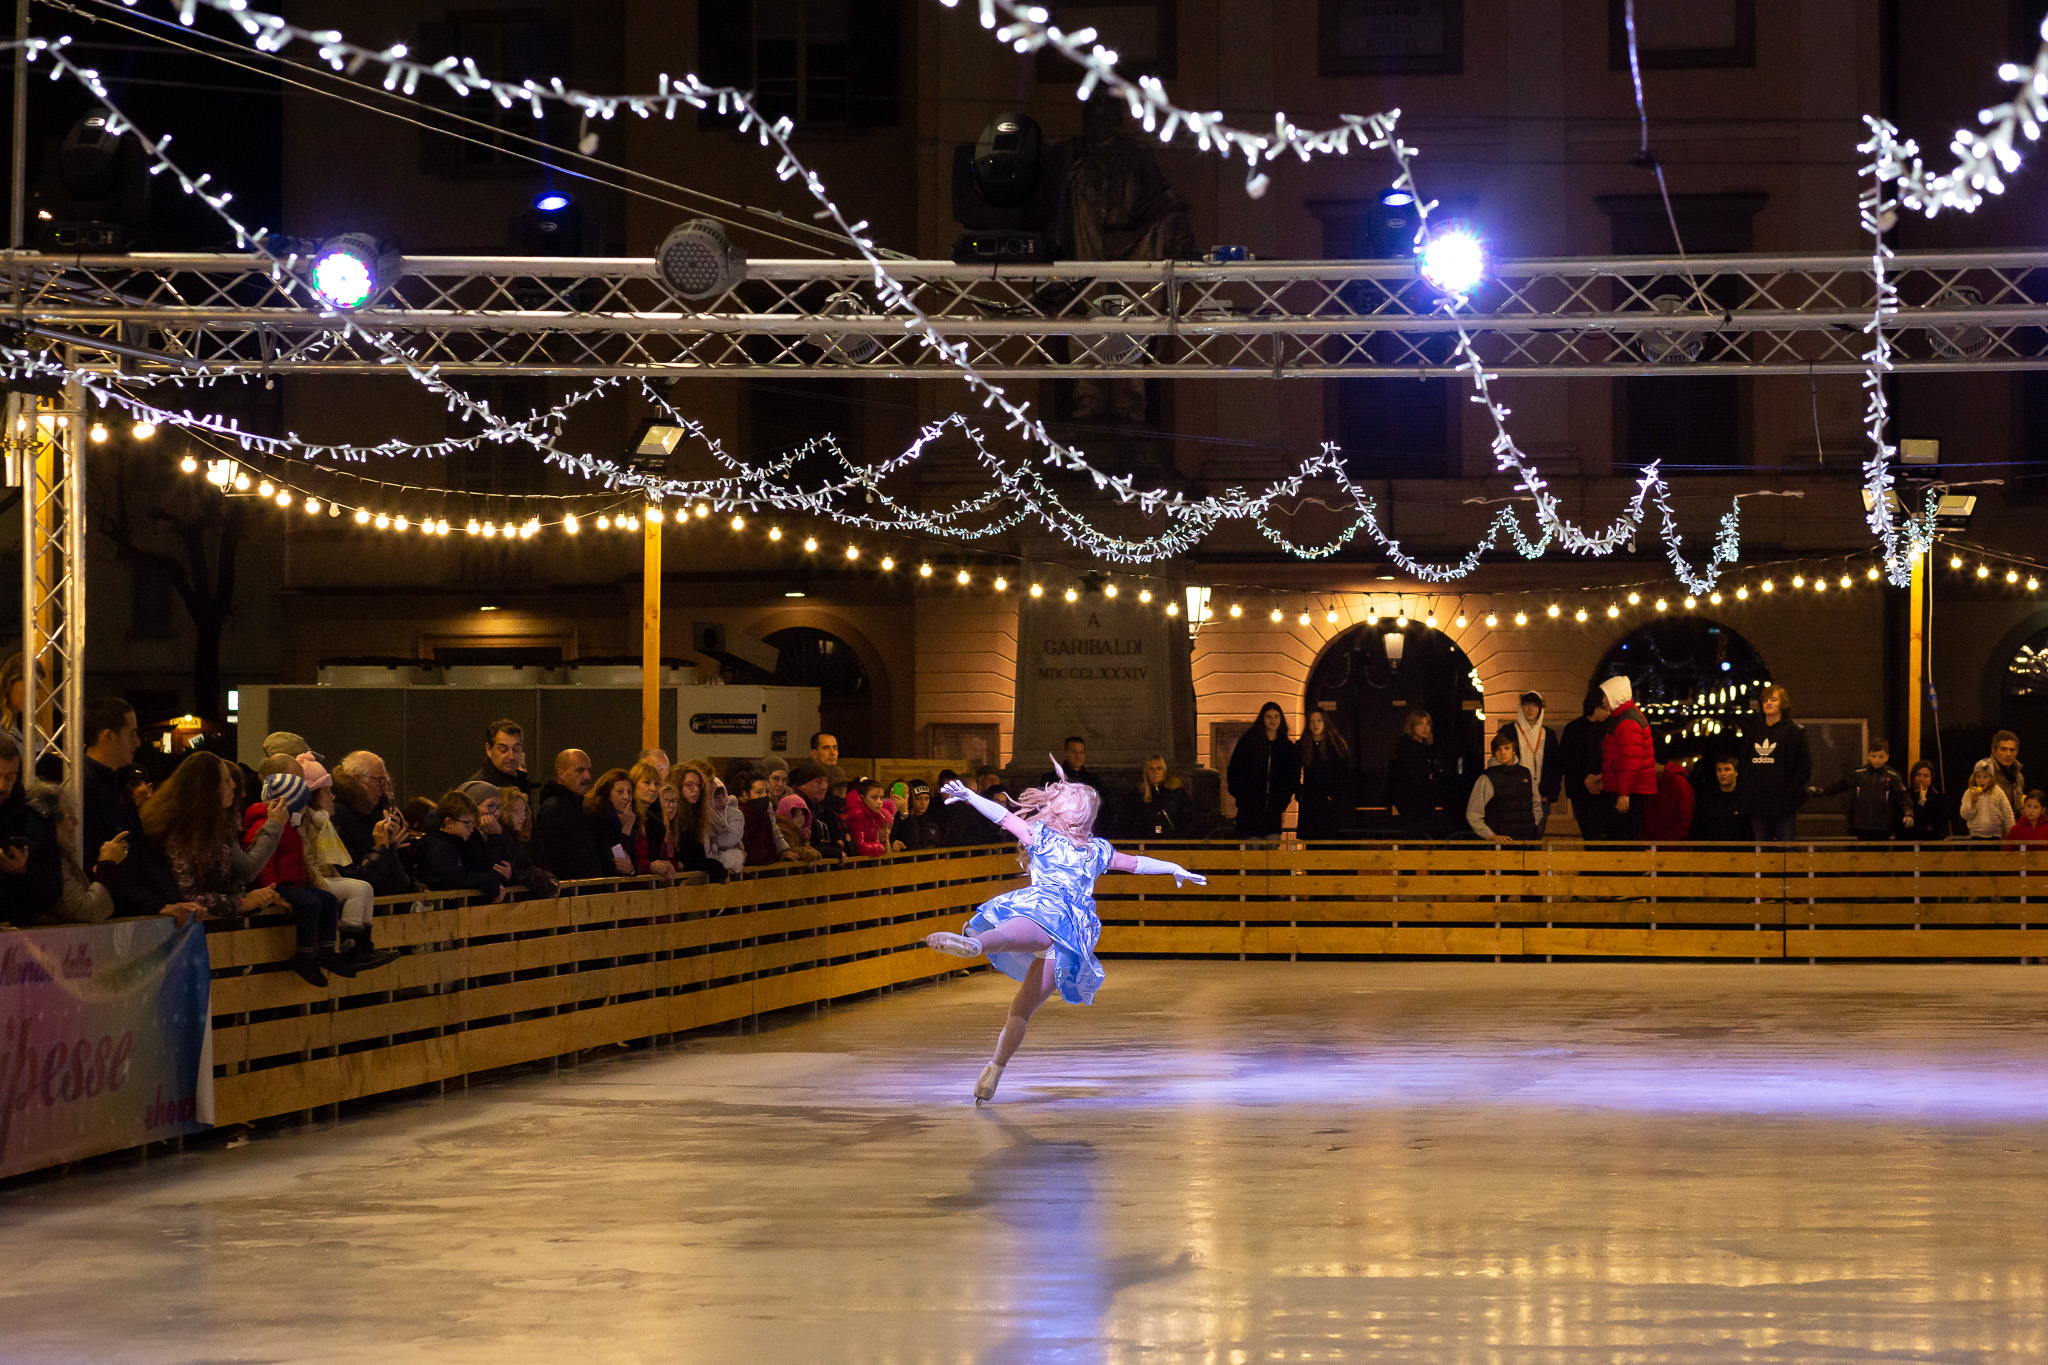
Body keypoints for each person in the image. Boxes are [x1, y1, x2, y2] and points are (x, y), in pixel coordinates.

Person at [924, 759, 1206, 1104]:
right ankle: (994, 1069)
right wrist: (1174, 867)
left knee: (1016, 934)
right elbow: (1137, 864)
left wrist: (969, 795)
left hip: (1046, 912)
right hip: (1069, 938)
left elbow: (1003, 817)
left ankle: (975, 944)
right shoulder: (1096, 849)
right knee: (1021, 1010)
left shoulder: (1043, 837)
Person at [141, 753, 318, 976]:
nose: (233, 786)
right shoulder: (180, 832)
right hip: (182, 942)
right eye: (226, 780)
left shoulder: (218, 825)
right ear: (206, 788)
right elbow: (186, 895)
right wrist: (242, 903)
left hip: (217, 936)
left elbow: (245, 870)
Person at [243, 770, 372, 985]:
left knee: (328, 899)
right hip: (277, 885)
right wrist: (271, 891)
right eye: (303, 803)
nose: (307, 807)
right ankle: (305, 954)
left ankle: (327, 950)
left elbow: (298, 860)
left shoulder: (292, 826)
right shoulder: (265, 826)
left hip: (294, 882)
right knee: (310, 903)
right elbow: (264, 863)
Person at [82, 697, 202, 922]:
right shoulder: (84, 789)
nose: (137, 742)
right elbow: (101, 867)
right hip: (110, 918)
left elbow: (141, 854)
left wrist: (172, 901)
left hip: (130, 909)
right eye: (132, 733)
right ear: (108, 736)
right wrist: (158, 905)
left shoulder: (118, 784)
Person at [303, 760, 400, 968]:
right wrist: (381, 848)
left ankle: (363, 946)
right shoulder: (329, 819)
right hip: (314, 879)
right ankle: (351, 947)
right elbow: (312, 859)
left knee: (362, 888)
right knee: (357, 888)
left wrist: (390, 848)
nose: (333, 796)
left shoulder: (328, 819)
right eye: (378, 780)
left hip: (325, 875)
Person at [329, 751, 417, 898]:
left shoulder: (375, 811)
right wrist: (382, 847)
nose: (383, 788)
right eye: (378, 780)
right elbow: (355, 875)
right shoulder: (339, 814)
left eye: (384, 781)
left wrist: (394, 847)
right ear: (356, 778)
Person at [459, 781, 559, 899]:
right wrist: (495, 837)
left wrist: (547, 878)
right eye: (491, 806)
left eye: (499, 807)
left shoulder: (501, 836)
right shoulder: (467, 837)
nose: (496, 813)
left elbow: (525, 866)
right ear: (473, 807)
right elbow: (495, 872)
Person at [1738, 684, 1811, 842]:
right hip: (1758, 805)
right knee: (1761, 854)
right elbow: (1744, 767)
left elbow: (1804, 768)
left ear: (1782, 704)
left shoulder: (1794, 732)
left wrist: (1789, 794)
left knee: (1785, 853)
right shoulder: (1754, 732)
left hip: (1783, 806)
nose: (1768, 703)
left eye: (1773, 699)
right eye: (1765, 700)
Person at [416, 790, 509, 902]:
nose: (471, 829)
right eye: (467, 824)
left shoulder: (459, 842)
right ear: (449, 822)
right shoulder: (438, 845)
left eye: (473, 824)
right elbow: (455, 878)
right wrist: (488, 883)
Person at [1597, 676, 1658, 841]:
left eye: (1606, 696)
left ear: (1616, 696)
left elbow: (1631, 761)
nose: (1603, 701)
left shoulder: (1626, 722)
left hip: (1630, 792)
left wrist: (1623, 793)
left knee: (1625, 840)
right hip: (1631, 789)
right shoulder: (1625, 717)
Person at [535, 748, 609, 881]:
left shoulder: (583, 808)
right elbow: (549, 859)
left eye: (589, 770)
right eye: (580, 770)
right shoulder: (554, 809)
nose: (587, 776)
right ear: (561, 774)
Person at [1812, 739, 1907, 842]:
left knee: (1880, 855)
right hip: (1861, 825)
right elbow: (1840, 785)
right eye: (1874, 756)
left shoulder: (1893, 776)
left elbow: (1903, 796)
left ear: (1887, 757)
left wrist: (1908, 813)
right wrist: (1822, 791)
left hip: (1883, 826)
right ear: (1868, 756)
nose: (1877, 760)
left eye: (1881, 757)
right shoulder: (1859, 774)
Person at [1227, 702, 1298, 840]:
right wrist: (1241, 796)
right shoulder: (1248, 743)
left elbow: (1291, 776)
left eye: (1276, 716)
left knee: (1271, 848)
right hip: (1249, 812)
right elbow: (1234, 770)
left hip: (1273, 812)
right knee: (1252, 850)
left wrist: (1283, 800)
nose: (1273, 720)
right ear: (1262, 719)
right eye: (1269, 717)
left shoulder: (1287, 747)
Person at [1466, 731, 1540, 844]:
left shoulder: (1525, 773)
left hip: (1527, 839)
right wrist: (1491, 835)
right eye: (1498, 749)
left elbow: (1536, 801)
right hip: (1501, 843)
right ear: (1494, 753)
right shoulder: (1487, 778)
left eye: (1507, 748)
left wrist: (1534, 822)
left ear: (1513, 750)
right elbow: (1473, 813)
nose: (1503, 753)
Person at [1559, 690, 1612, 840]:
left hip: (1604, 789)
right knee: (1589, 834)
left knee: (1603, 835)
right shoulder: (1573, 728)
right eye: (1605, 709)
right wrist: (1585, 778)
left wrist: (1601, 777)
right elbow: (1565, 759)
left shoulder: (1608, 728)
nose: (1608, 713)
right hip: (1580, 792)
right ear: (1596, 707)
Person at [1293, 710, 1351, 841]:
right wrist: (1299, 792)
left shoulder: (1336, 746)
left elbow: (1344, 774)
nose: (1315, 724)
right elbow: (1293, 771)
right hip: (1310, 801)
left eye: (1319, 720)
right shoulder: (1302, 745)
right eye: (1312, 721)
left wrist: (1335, 795)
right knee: (1312, 844)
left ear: (1326, 723)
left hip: (1330, 803)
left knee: (1329, 842)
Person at [1385, 709, 1443, 838]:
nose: (1425, 728)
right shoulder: (1412, 750)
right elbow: (1416, 778)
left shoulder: (1410, 748)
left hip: (1415, 803)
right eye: (1420, 724)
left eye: (1427, 724)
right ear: (1412, 726)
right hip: (1415, 804)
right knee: (1416, 836)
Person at [1511, 691, 1563, 834]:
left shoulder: (1548, 734)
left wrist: (1552, 795)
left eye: (1535, 705)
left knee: (1536, 838)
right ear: (1521, 707)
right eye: (1527, 704)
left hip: (1541, 797)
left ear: (1540, 709)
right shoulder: (1510, 731)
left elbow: (1555, 767)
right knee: (1515, 838)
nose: (1530, 709)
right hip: (1515, 797)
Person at [583, 768, 640, 878]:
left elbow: (634, 861)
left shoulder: (630, 818)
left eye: (630, 792)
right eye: (620, 792)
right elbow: (613, 861)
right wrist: (625, 830)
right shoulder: (596, 819)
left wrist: (632, 869)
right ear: (607, 794)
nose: (626, 797)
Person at [624, 761, 676, 875]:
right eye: (647, 783)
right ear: (633, 784)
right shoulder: (625, 816)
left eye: (657, 784)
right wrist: (649, 866)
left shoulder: (657, 821)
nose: (653, 788)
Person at [1129, 754, 1197, 839]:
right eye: (1151, 769)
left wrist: (1179, 837)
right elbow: (1131, 820)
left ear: (1163, 771)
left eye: (1159, 768)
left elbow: (1188, 817)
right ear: (1146, 772)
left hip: (1173, 842)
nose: (1155, 772)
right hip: (1147, 843)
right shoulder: (1138, 794)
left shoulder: (1176, 791)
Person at [790, 760, 847, 860]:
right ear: (803, 785)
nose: (824, 786)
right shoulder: (797, 808)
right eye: (819, 781)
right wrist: (835, 852)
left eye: (826, 781)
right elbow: (808, 845)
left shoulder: (817, 807)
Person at [1688, 757, 1750, 841]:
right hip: (1713, 848)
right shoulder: (1708, 799)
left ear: (1736, 772)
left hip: (1740, 849)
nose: (1722, 774)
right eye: (1719, 770)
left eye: (1727, 769)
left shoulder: (1745, 798)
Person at [469, 719, 531, 793]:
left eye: (515, 749)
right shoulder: (480, 787)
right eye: (503, 749)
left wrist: (522, 776)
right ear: (489, 749)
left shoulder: (517, 779)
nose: (511, 756)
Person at [1960, 759, 2016, 841]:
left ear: (1991, 778)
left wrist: (2012, 834)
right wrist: (1973, 803)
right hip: (1976, 835)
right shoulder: (1969, 793)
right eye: (1978, 777)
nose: (1981, 780)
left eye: (1985, 777)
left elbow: (2007, 813)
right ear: (1974, 778)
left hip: (1995, 836)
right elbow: (1964, 815)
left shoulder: (1998, 792)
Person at [1642, 760, 1694, 844]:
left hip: (1673, 848)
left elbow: (1684, 819)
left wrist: (1670, 841)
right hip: (1657, 845)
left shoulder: (1679, 784)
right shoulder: (1653, 783)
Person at [1901, 760, 1953, 842]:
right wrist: (1920, 804)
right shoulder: (1905, 796)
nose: (1921, 779)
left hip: (1932, 843)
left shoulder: (1939, 798)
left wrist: (1925, 802)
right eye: (1918, 775)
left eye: (1926, 776)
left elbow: (1941, 822)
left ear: (1931, 778)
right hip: (1909, 842)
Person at [842, 777, 893, 858]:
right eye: (874, 798)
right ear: (862, 797)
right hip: (856, 864)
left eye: (881, 798)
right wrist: (879, 847)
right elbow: (859, 847)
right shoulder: (857, 814)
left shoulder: (875, 814)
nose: (879, 802)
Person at [893, 780, 940, 850]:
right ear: (911, 799)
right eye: (918, 799)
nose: (923, 803)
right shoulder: (901, 819)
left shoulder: (933, 820)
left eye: (926, 799)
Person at [1986, 731, 2026, 811]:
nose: (2008, 754)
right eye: (2003, 749)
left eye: (2012, 750)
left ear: (2016, 752)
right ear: (1994, 751)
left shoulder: (2018, 777)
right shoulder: (1984, 775)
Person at [775, 794, 822, 862]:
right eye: (795, 815)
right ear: (786, 813)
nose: (800, 818)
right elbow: (791, 850)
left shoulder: (802, 831)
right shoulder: (783, 828)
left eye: (802, 814)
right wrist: (812, 853)